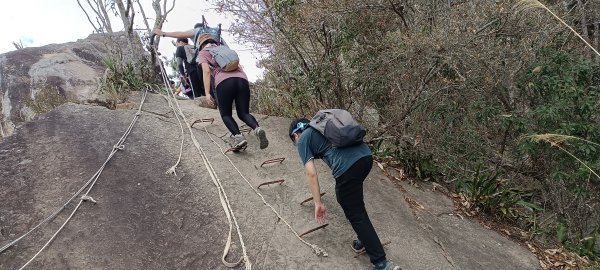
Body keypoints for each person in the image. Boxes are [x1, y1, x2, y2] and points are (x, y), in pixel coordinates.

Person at [289, 119, 401, 270]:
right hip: (365, 157)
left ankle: (381, 263)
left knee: (353, 208)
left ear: (296, 134)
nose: (296, 145)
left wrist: (318, 203)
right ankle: (364, 238)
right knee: (352, 203)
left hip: (348, 166)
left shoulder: (303, 139)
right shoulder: (321, 128)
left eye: (294, 141)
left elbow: (311, 174)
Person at [196, 33, 268, 151]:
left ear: (202, 45)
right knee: (243, 113)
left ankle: (239, 137)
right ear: (214, 41)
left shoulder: (203, 52)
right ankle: (257, 128)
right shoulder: (225, 49)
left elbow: (206, 71)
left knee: (226, 114)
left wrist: (208, 93)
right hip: (242, 79)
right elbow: (239, 65)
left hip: (224, 82)